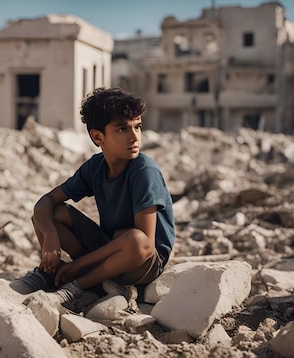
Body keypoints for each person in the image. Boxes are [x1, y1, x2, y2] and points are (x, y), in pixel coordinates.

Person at [10, 87, 175, 309]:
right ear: (98, 137)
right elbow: (45, 202)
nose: (134, 137)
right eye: (122, 129)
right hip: (109, 247)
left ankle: (76, 287)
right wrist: (49, 235)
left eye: (137, 127)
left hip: (143, 262)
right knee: (54, 213)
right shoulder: (95, 167)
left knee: (134, 239)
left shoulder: (144, 170)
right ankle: (51, 274)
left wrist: (78, 265)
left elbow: (145, 241)